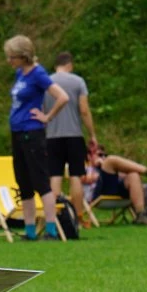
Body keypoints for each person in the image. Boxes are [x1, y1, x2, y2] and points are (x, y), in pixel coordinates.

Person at [3, 35, 69, 240]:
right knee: (23, 183)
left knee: (40, 181)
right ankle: (29, 230)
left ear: (23, 56)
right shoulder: (20, 74)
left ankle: (50, 229)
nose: (9, 60)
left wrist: (47, 116)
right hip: (17, 132)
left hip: (32, 133)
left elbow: (62, 97)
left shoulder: (38, 74)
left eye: (12, 57)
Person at [44, 52, 97, 228]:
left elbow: (42, 110)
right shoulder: (78, 81)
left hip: (52, 135)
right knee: (76, 175)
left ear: (55, 66)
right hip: (74, 135)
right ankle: (78, 217)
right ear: (70, 65)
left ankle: (56, 218)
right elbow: (84, 110)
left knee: (55, 175)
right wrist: (92, 134)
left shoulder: (46, 82)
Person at [87, 144, 147, 223]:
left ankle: (141, 215)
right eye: (100, 155)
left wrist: (119, 170)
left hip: (115, 189)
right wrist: (99, 166)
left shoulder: (106, 169)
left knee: (133, 175)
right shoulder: (85, 167)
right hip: (99, 193)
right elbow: (84, 179)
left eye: (104, 155)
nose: (103, 157)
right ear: (89, 156)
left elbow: (122, 176)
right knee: (110, 160)